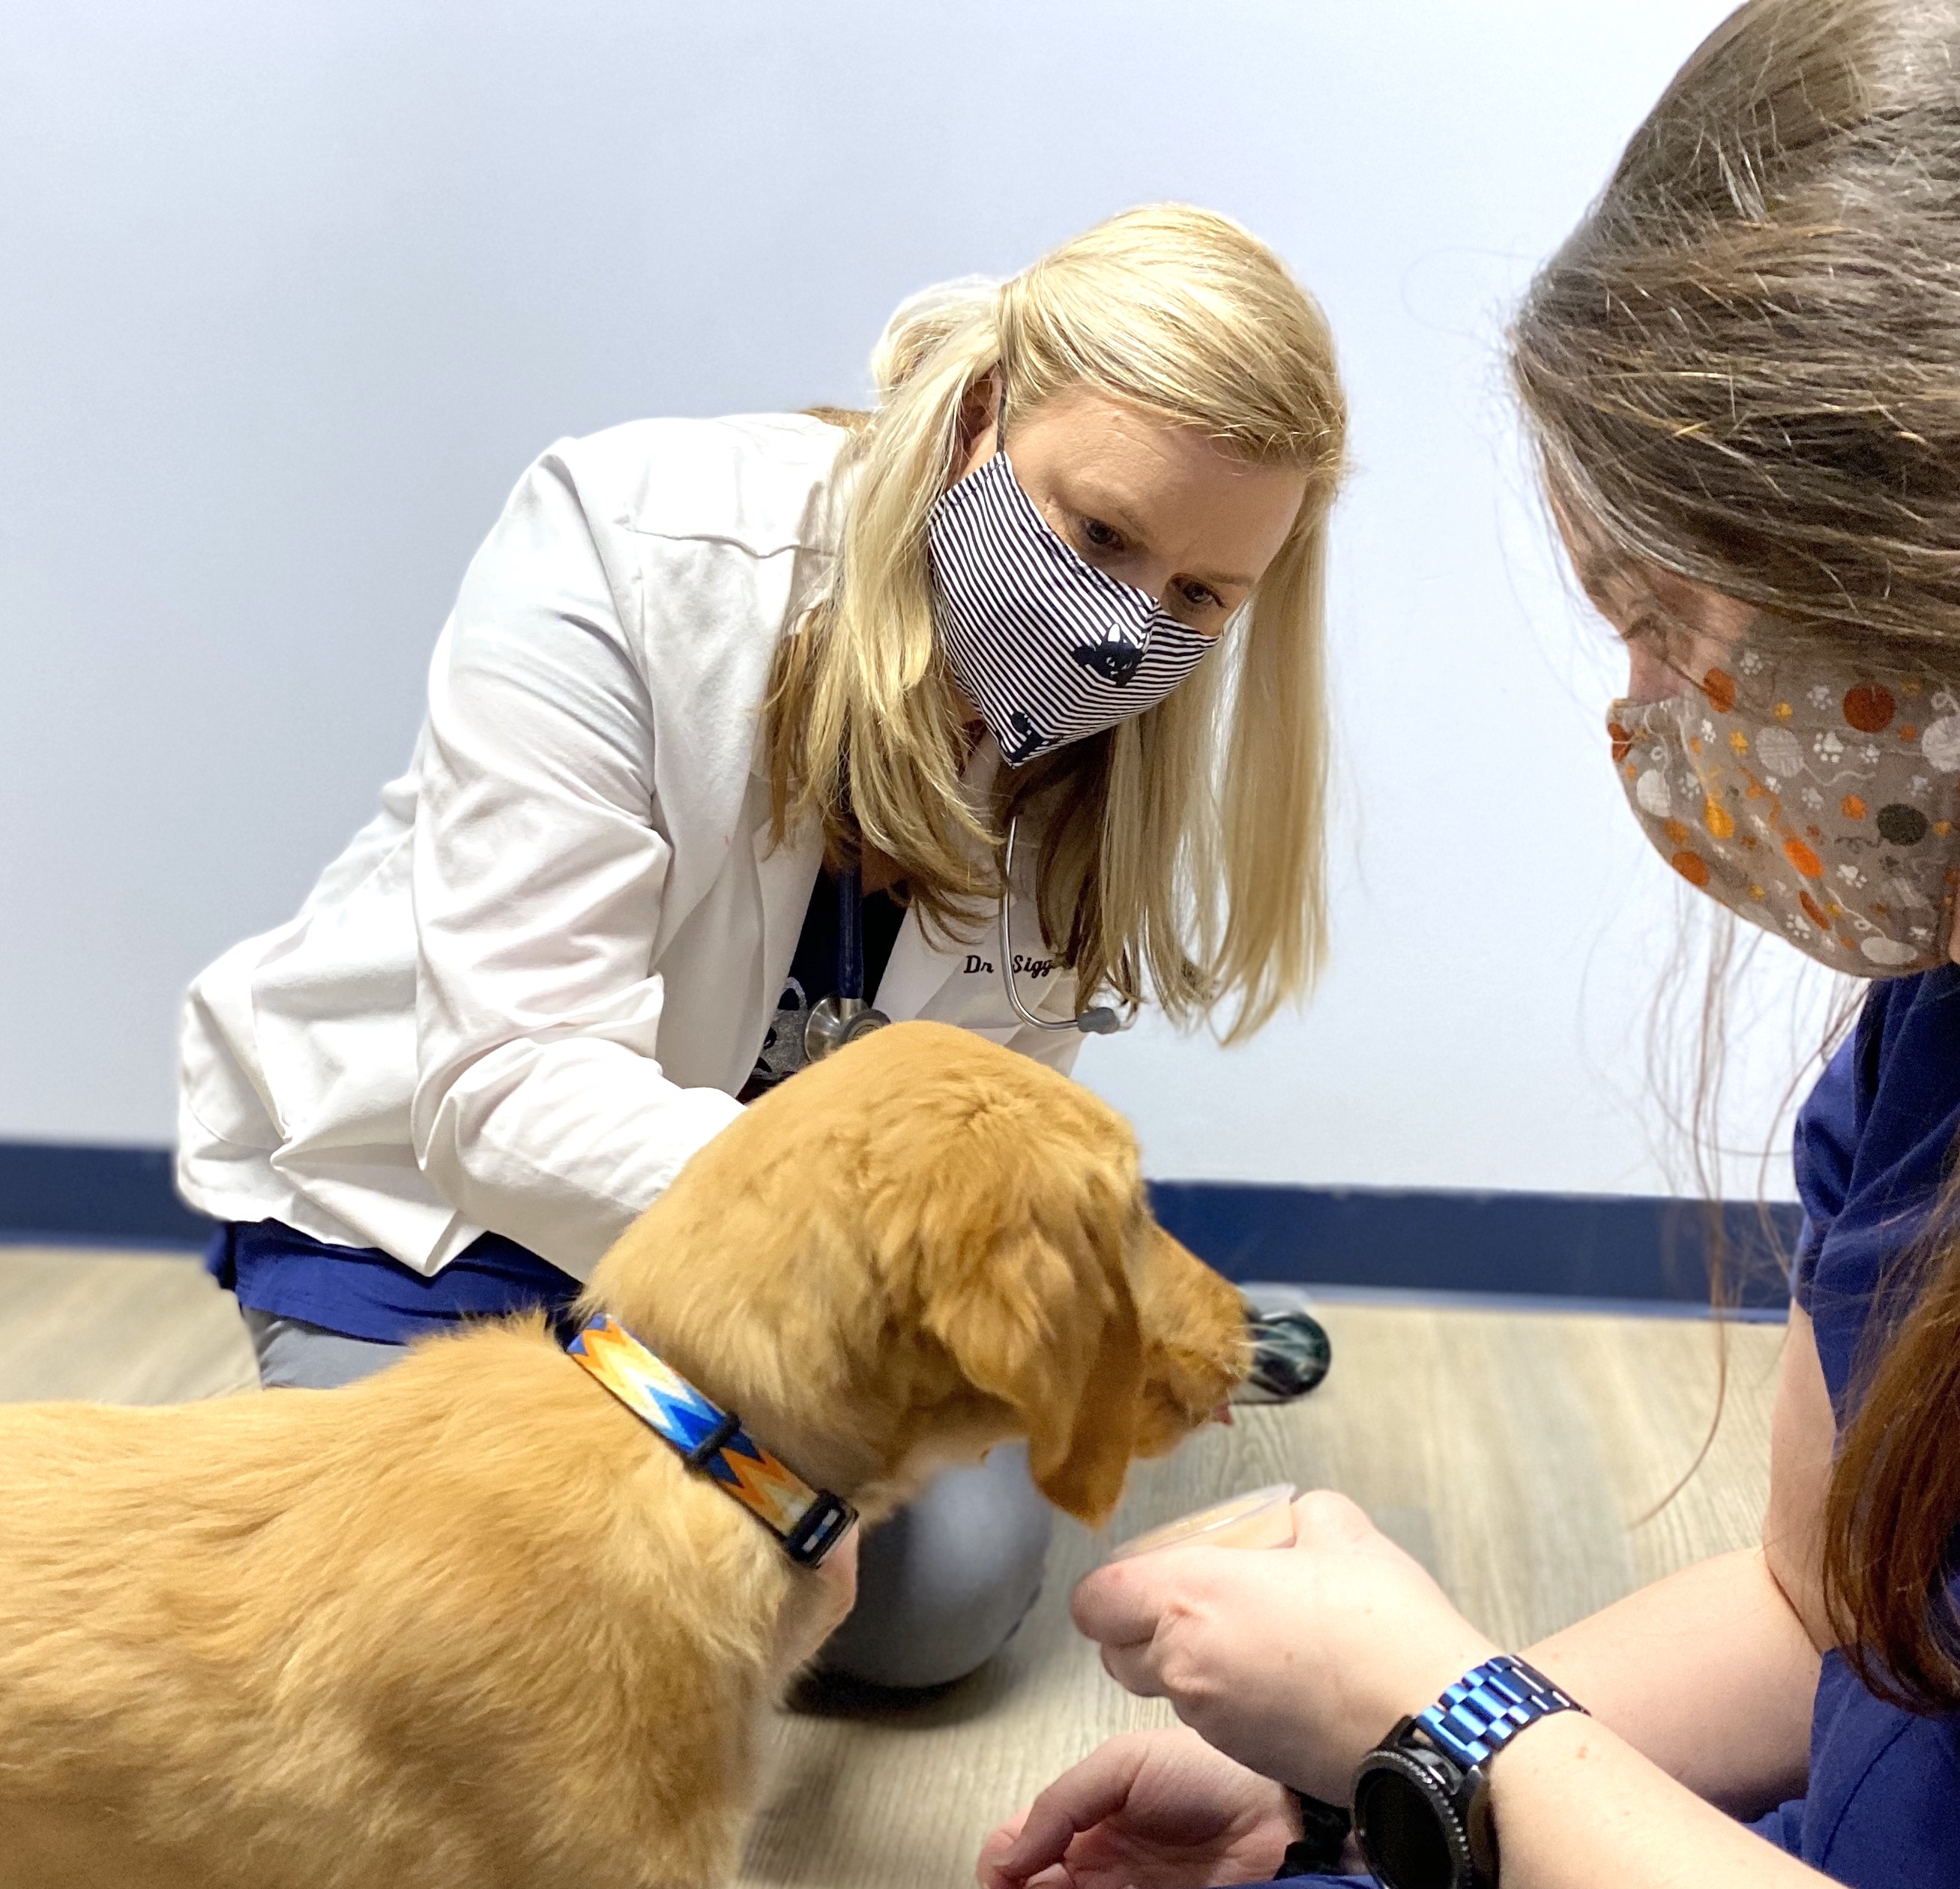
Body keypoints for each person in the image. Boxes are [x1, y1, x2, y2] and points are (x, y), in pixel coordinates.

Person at [979, 2, 1960, 1882]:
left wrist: (1450, 1722)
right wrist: (1363, 1791)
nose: (1650, 723)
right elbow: (1818, 1614)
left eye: (1666, 619)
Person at [174, 202, 1347, 1692]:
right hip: (436, 1199)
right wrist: (826, 1319)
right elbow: (508, 1087)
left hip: (805, 1272)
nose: (1124, 633)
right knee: (447, 1622)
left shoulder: (1093, 750)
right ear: (982, 413)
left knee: (934, 1607)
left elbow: (980, 1122)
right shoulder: (628, 536)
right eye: (1099, 534)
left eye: (1197, 597)